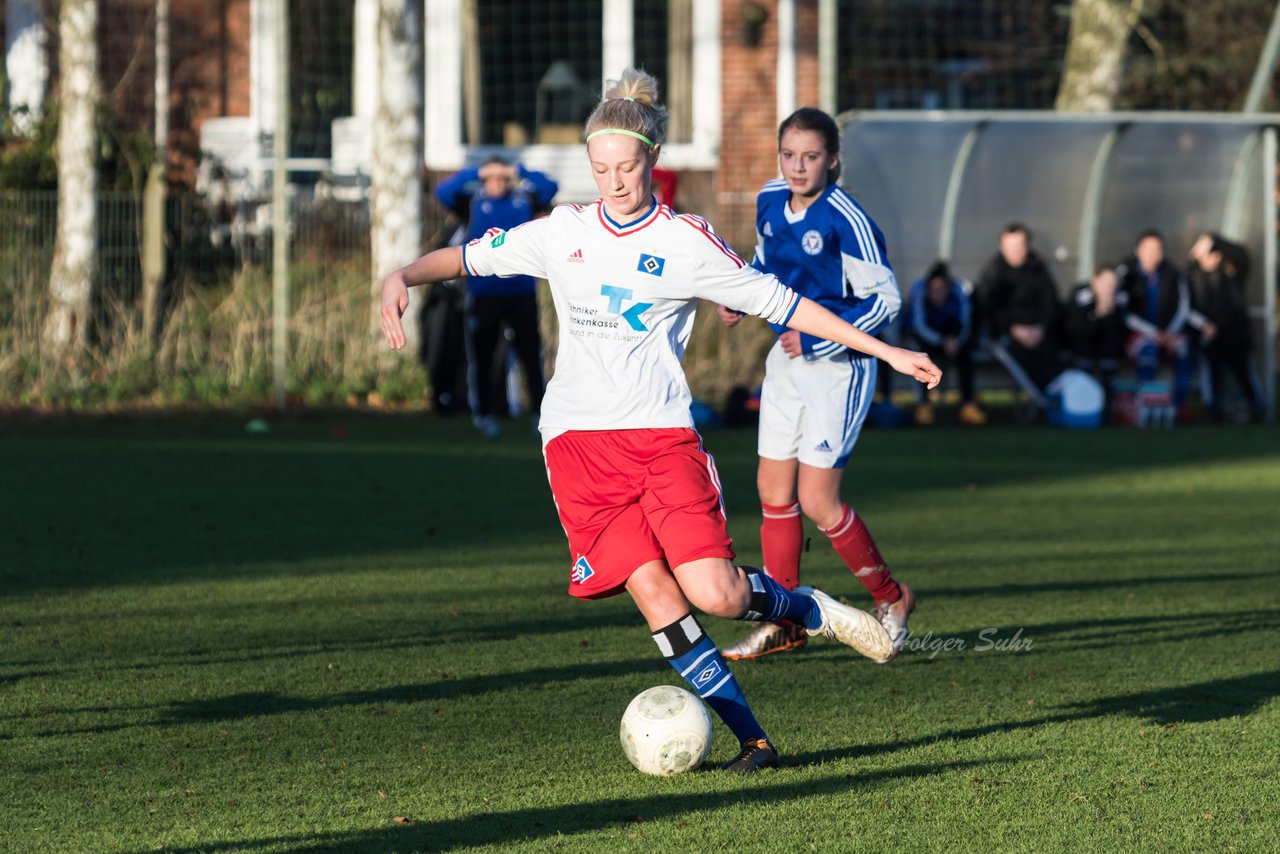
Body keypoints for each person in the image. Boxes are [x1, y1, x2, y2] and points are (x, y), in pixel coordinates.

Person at [379, 70, 941, 772]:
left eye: (628, 166)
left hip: (661, 442)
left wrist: (886, 349)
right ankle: (755, 742)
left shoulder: (687, 243)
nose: (614, 182)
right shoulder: (563, 232)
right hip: (577, 449)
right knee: (653, 594)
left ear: (653, 161)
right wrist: (399, 276)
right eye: (601, 168)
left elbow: (789, 305)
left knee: (718, 592)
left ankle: (815, 611)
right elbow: (464, 259)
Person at [714, 107, 918, 664]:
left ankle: (892, 597)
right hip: (786, 363)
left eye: (810, 157)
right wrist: (739, 296)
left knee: (817, 501)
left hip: (839, 370)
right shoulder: (768, 199)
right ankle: (784, 620)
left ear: (833, 161)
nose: (798, 167)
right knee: (772, 492)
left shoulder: (846, 219)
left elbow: (887, 300)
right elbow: (764, 260)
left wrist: (822, 340)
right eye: (789, 155)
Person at [434, 156, 559, 436]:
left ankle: (539, 413)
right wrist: (476, 172)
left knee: (530, 356)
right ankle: (484, 413)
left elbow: (550, 187)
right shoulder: (472, 202)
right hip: (484, 294)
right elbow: (442, 193)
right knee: (483, 356)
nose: (498, 183)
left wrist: (517, 170)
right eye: (492, 178)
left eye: (503, 178)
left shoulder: (524, 198)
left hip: (521, 293)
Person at [975, 223, 1063, 404]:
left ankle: (1059, 396)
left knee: (1051, 354)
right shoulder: (994, 272)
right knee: (1018, 358)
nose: (1016, 252)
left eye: (1020, 246)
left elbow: (1050, 302)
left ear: (1028, 246)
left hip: (1039, 333)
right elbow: (986, 307)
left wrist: (1041, 328)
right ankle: (1044, 402)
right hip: (1006, 334)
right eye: (1011, 247)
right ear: (1002, 247)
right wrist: (1013, 328)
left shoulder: (1038, 269)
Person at [1116, 229, 1199, 413]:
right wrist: (1154, 334)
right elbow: (1124, 312)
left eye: (1158, 249)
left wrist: (1170, 333)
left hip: (1169, 333)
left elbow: (1183, 306)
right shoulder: (1126, 273)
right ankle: (1148, 406)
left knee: (1185, 350)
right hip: (1139, 334)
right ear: (1138, 251)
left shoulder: (1173, 273)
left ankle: (1179, 406)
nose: (1154, 254)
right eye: (1149, 249)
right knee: (1148, 352)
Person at [1187, 233, 1263, 421]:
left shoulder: (1231, 275)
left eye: (1214, 253)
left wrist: (1214, 240)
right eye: (1207, 253)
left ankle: (1257, 409)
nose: (1211, 258)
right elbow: (1185, 306)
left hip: (1234, 335)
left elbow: (1241, 255)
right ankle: (1214, 411)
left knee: (1243, 373)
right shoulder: (1192, 277)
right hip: (1209, 337)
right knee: (1212, 375)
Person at [906, 261, 986, 426]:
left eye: (942, 290)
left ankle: (968, 405)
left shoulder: (959, 291)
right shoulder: (919, 292)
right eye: (934, 290)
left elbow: (966, 323)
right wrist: (941, 341)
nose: (938, 295)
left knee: (965, 358)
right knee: (919, 356)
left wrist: (956, 341)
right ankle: (923, 405)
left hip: (953, 339)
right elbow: (918, 325)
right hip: (929, 340)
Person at [1065, 263, 1130, 399]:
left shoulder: (1121, 300)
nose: (1109, 288)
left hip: (1108, 353)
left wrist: (1109, 316)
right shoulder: (1080, 297)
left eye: (1112, 284)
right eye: (1105, 283)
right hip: (1082, 350)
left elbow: (1119, 336)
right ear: (1094, 281)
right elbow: (1076, 331)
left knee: (1109, 364)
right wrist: (1097, 316)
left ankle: (1107, 404)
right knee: (1083, 366)